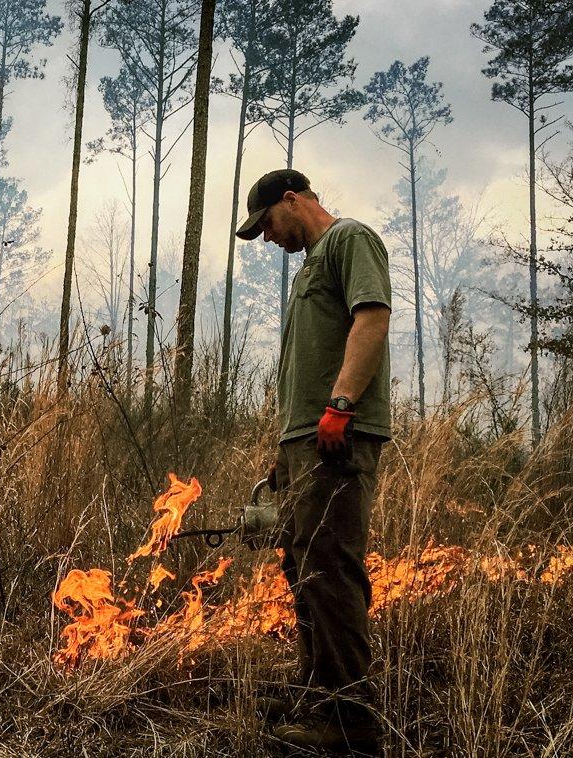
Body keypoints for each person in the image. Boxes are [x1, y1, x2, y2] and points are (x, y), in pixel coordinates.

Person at [236, 169, 392, 755]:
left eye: (268, 224)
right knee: (302, 564)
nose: (269, 238)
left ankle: (349, 720)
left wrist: (342, 403)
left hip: (338, 434)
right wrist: (285, 449)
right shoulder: (310, 267)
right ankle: (316, 691)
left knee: (331, 567)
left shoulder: (349, 239)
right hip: (307, 439)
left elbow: (372, 318)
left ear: (292, 200)